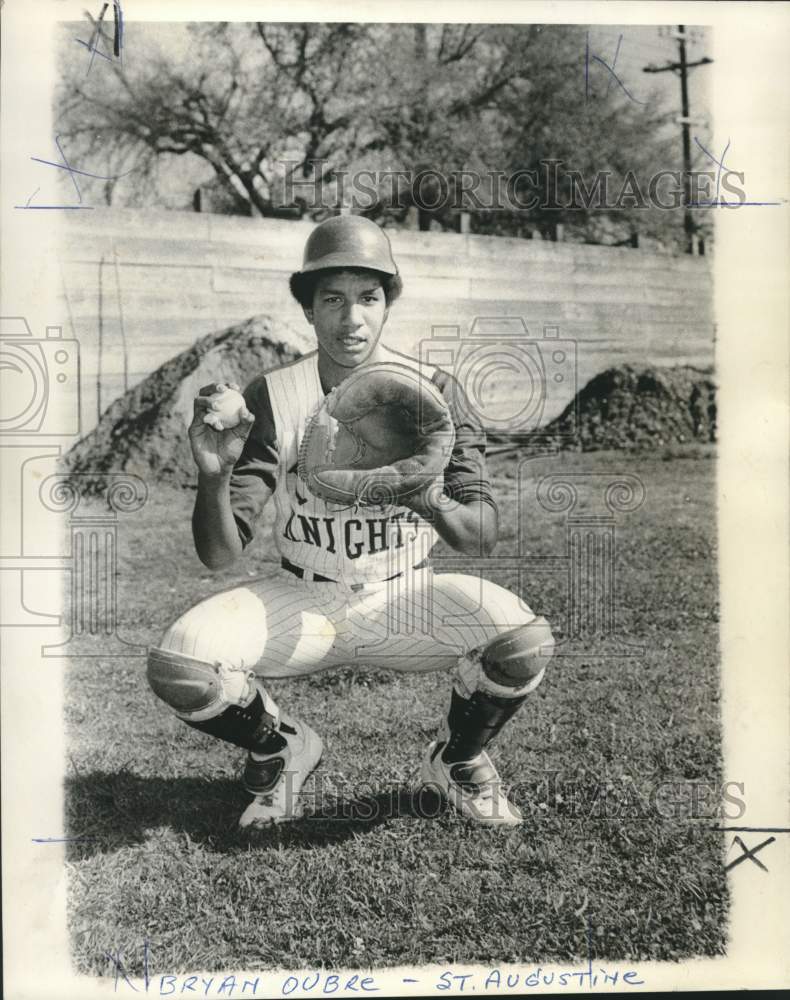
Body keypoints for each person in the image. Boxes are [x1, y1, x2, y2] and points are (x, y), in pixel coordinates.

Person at [146, 215, 554, 829]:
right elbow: (220, 556)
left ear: (388, 303)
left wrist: (422, 495)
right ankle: (281, 746)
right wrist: (213, 473)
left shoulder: (434, 389)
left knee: (522, 642)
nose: (351, 318)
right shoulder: (271, 395)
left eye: (367, 298)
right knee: (180, 666)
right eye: (331, 299)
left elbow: (482, 534)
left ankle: (458, 758)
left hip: (405, 595)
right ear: (308, 309)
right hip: (302, 599)